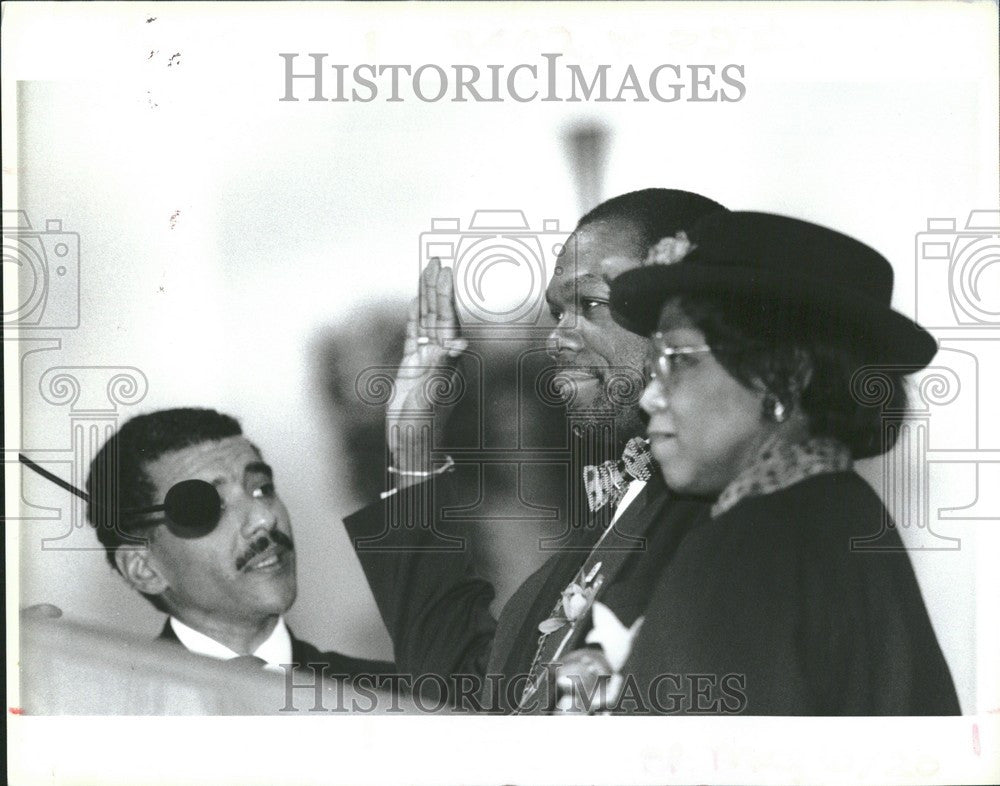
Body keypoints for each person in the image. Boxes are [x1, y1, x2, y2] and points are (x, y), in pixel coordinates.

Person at [344, 188, 727, 712]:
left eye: (590, 303)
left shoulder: (733, 516)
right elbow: (461, 692)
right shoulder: (609, 521)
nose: (557, 338)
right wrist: (413, 440)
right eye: (557, 312)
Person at [600, 210, 960, 714]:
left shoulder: (744, 548)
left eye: (678, 359)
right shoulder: (850, 517)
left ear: (783, 378)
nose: (650, 398)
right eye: (652, 366)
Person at [86, 407, 393, 678]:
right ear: (145, 569)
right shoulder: (103, 715)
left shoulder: (389, 698)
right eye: (207, 507)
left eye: (262, 489)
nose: (264, 518)